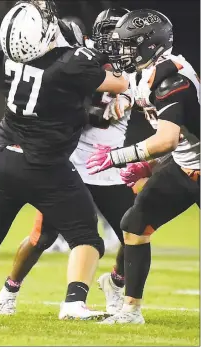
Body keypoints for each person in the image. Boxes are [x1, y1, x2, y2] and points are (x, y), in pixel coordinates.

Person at [0, 0, 129, 319]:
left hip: (6, 158)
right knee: (87, 237)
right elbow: (120, 83)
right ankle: (74, 303)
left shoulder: (11, 57)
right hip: (47, 165)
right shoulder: (70, 61)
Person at [0, 7, 137, 316]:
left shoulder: (133, 66)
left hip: (109, 165)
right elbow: (70, 105)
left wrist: (130, 96)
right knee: (41, 237)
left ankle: (115, 282)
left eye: (123, 35)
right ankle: (9, 290)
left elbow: (136, 91)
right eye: (113, 34)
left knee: (135, 230)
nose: (119, 41)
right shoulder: (78, 61)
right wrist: (110, 104)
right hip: (70, 163)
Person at [87, 9, 199, 324]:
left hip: (190, 164)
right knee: (134, 224)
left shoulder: (171, 77)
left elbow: (167, 139)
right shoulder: (149, 72)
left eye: (129, 44)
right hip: (184, 166)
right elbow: (180, 137)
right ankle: (130, 310)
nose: (123, 52)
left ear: (150, 44)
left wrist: (117, 156)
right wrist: (148, 167)